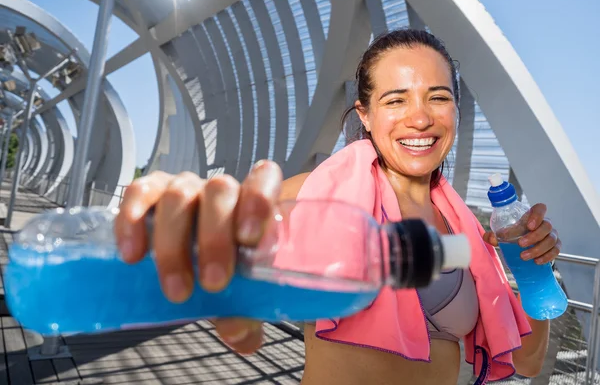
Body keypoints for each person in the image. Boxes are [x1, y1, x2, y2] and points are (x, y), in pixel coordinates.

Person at [114, 29, 561, 385]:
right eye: (396, 99)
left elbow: (527, 361)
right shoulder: (321, 197)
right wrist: (187, 221)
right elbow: (237, 224)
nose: (420, 117)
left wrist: (535, 271)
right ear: (364, 114)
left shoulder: (467, 236)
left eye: (438, 97)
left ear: (456, 112)